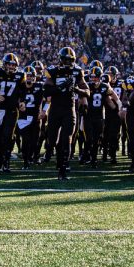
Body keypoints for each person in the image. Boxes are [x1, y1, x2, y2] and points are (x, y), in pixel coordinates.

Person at [42, 46, 89, 180]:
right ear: (61, 60)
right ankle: (51, 153)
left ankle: (63, 170)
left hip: (69, 109)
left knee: (67, 139)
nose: (69, 63)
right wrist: (61, 87)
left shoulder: (77, 71)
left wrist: (75, 89)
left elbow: (87, 92)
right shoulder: (53, 71)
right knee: (52, 140)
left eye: (71, 60)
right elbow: (46, 92)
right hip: (55, 110)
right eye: (66, 60)